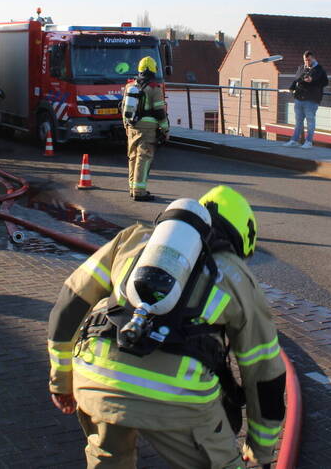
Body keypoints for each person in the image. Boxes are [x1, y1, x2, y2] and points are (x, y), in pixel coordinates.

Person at [47, 186, 286, 469]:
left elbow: (70, 303)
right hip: (179, 398)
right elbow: (264, 369)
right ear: (243, 238)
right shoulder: (236, 274)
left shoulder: (133, 238)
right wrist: (261, 447)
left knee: (108, 460)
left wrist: (61, 380)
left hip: (98, 378)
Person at [121, 56, 168, 202]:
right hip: (147, 129)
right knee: (144, 158)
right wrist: (165, 129)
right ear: (154, 70)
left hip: (132, 126)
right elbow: (160, 112)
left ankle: (132, 188)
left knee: (133, 157)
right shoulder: (154, 88)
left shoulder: (130, 86)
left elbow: (123, 108)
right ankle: (139, 191)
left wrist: (127, 126)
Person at [285, 50, 328, 149]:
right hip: (299, 98)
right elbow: (296, 79)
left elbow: (325, 82)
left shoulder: (319, 69)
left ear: (313, 58)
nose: (307, 62)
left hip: (311, 99)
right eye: (305, 60)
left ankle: (308, 142)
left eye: (309, 60)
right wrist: (292, 88)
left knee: (310, 121)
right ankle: (294, 140)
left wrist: (312, 81)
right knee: (298, 121)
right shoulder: (301, 68)